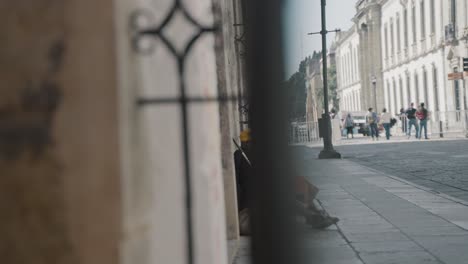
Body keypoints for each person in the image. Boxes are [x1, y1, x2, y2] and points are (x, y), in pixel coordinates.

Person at [233, 130, 338, 233]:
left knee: (297, 181)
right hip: (254, 196)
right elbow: (239, 182)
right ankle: (312, 216)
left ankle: (315, 213)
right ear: (245, 143)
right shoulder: (239, 155)